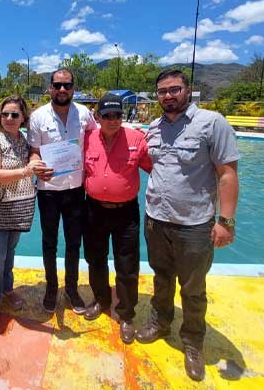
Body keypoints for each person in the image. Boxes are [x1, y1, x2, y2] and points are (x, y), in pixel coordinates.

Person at [137, 69, 239, 382]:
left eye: (174, 89)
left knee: (193, 288)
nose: (168, 95)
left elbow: (227, 173)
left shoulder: (211, 123)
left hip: (194, 223)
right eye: (162, 91)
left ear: (187, 90)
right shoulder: (153, 127)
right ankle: (160, 322)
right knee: (162, 277)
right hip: (156, 219)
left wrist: (225, 220)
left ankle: (192, 341)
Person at [82, 94, 152, 344]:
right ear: (97, 117)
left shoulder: (136, 139)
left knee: (127, 265)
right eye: (107, 115)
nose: (113, 120)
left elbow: (157, 168)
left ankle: (126, 314)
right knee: (95, 259)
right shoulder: (86, 139)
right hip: (94, 209)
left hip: (126, 212)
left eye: (117, 115)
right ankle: (100, 300)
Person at [28, 68, 97, 314]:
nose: (62, 90)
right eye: (57, 85)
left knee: (73, 243)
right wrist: (36, 165)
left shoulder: (85, 114)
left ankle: (71, 288)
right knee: (49, 243)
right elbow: (34, 150)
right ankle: (51, 288)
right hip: (48, 190)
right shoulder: (38, 117)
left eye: (67, 85)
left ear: (73, 88)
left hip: (76, 190)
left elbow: (95, 141)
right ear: (50, 87)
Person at [0, 96, 46, 326]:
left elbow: (37, 158)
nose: (9, 118)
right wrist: (28, 171)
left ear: (23, 118)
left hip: (17, 207)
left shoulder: (24, 141)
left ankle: (7, 289)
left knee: (10, 253)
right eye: (5, 114)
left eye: (14, 114)